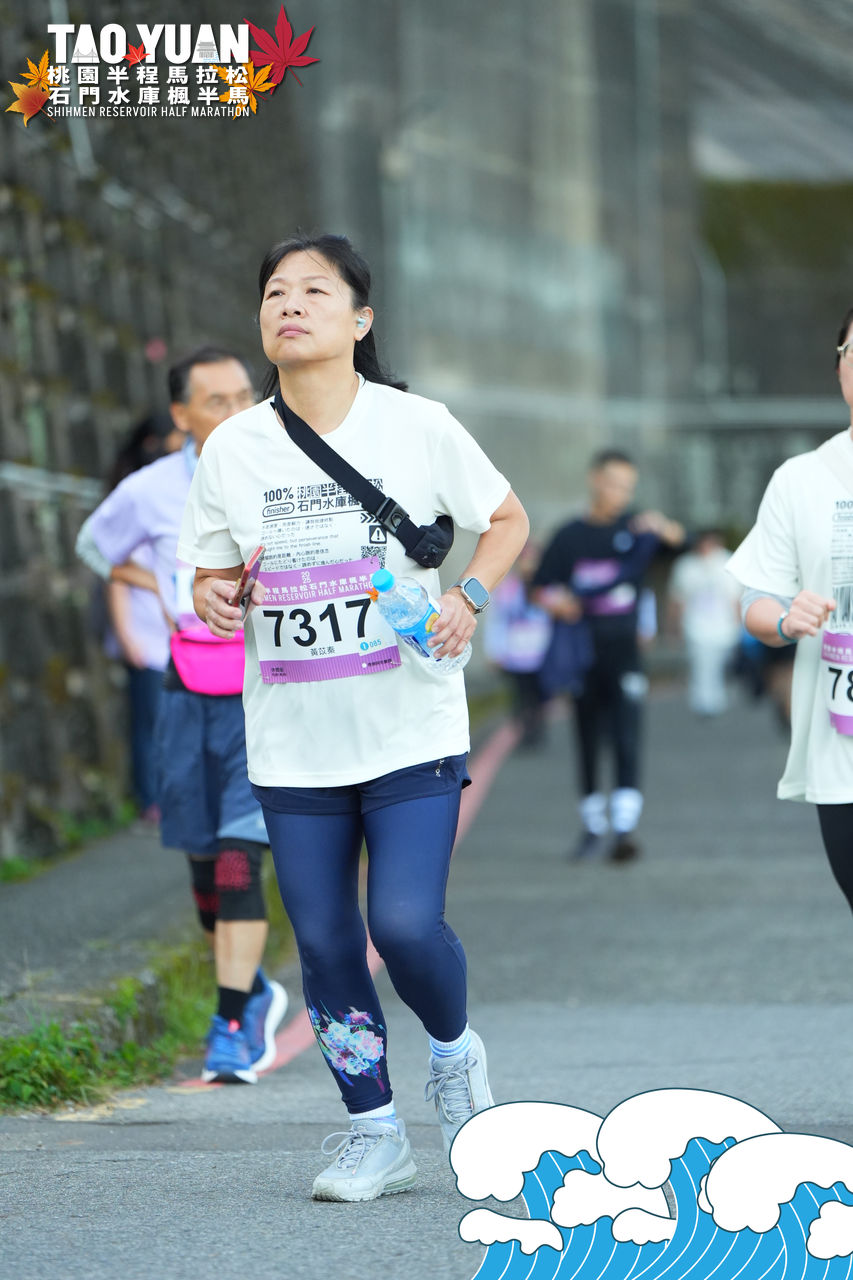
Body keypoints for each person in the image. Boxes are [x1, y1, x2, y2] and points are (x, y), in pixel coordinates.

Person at [178, 233, 529, 1202]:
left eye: (313, 291)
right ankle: (374, 1131)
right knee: (328, 942)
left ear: (359, 319)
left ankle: (453, 1052)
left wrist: (467, 597)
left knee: (405, 923)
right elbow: (211, 571)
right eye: (274, 292)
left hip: (408, 720)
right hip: (293, 736)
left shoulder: (417, 426)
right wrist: (215, 598)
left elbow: (506, 520)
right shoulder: (232, 446)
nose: (289, 305)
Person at [76, 347, 287, 1085]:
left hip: (263, 691)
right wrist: (161, 588)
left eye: (244, 396)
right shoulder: (150, 488)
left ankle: (229, 1027)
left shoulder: (281, 468)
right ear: (181, 415)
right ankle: (251, 990)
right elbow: (93, 546)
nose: (236, 411)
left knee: (237, 858)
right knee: (204, 864)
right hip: (187, 693)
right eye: (216, 400)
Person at [728, 306, 853, 930]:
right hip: (844, 746)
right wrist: (784, 618)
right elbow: (756, 599)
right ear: (839, 367)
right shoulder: (802, 479)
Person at [533, 449, 685, 862]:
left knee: (627, 733)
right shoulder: (569, 536)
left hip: (625, 652)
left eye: (628, 487)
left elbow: (681, 543)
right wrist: (557, 604)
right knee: (586, 735)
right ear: (595, 480)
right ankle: (592, 825)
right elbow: (540, 585)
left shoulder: (637, 530)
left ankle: (625, 827)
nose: (622, 493)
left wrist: (665, 528)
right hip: (583, 651)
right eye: (615, 483)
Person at [97, 413, 182, 821]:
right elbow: (115, 575)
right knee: (150, 724)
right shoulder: (135, 497)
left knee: (171, 723)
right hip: (145, 640)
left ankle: (169, 798)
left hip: (173, 637)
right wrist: (126, 636)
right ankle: (151, 801)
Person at [482, 540, 552, 747]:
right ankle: (524, 731)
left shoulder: (547, 586)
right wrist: (495, 651)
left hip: (542, 653)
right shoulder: (507, 589)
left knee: (540, 695)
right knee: (519, 696)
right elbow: (497, 622)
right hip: (516, 655)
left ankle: (537, 728)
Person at [668, 530, 741, 717]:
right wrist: (674, 626)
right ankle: (704, 701)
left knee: (717, 663)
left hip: (723, 626)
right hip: (695, 625)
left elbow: (735, 598)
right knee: (701, 663)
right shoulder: (686, 566)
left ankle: (714, 698)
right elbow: (678, 599)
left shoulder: (727, 562)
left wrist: (739, 624)